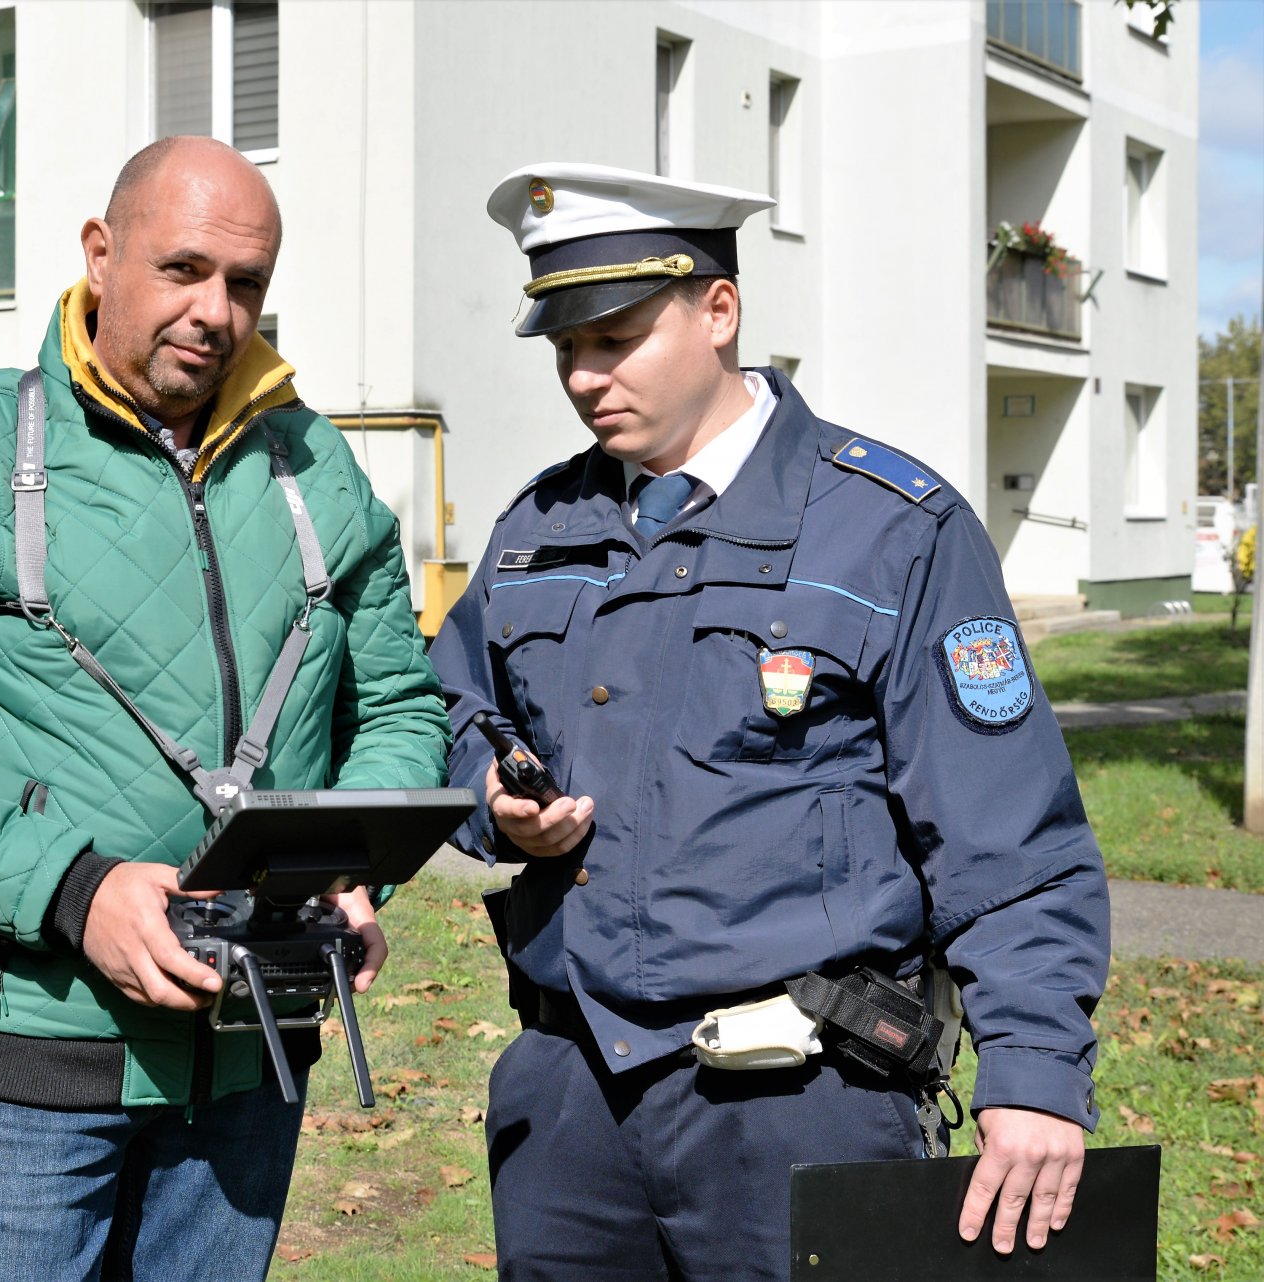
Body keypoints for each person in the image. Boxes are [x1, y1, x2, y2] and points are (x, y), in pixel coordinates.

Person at [0, 136, 448, 1282]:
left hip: (250, 1061)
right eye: (183, 269)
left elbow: (396, 707)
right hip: (28, 1070)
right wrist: (74, 890)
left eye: (245, 284)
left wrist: (344, 868)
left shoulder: (314, 465)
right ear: (101, 254)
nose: (215, 312)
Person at [430, 163, 1110, 1282]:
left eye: (616, 338)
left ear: (719, 310)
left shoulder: (891, 530)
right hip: (570, 1097)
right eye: (566, 347)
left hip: (797, 1102)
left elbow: (1007, 835)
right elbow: (447, 711)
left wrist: (1033, 1070)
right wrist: (493, 801)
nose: (585, 377)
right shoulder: (538, 526)